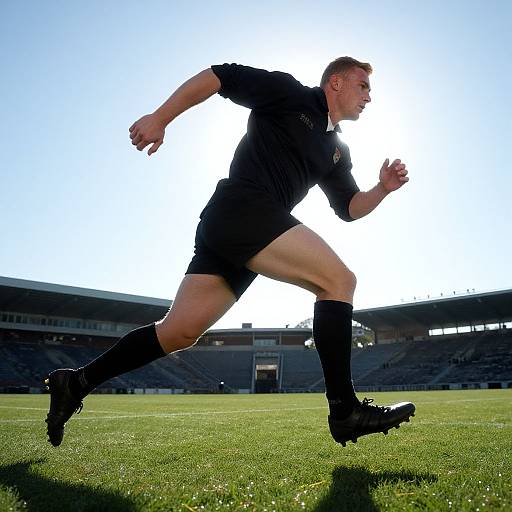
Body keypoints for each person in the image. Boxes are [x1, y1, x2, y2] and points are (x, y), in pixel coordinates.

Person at [45, 57, 415, 448]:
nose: (369, 97)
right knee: (339, 281)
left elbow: (349, 208)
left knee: (179, 332)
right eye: (363, 86)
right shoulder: (289, 94)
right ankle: (345, 411)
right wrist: (160, 117)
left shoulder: (336, 149)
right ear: (336, 83)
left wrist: (383, 190)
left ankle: (76, 382)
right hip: (242, 209)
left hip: (240, 230)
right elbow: (221, 75)